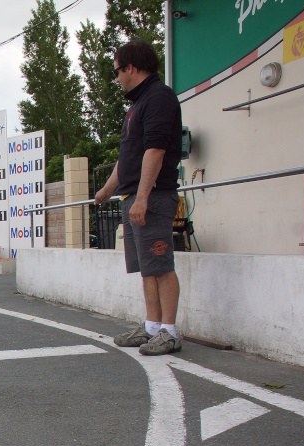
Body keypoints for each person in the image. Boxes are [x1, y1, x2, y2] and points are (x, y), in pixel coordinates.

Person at [94, 40, 183, 356]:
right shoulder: (137, 106)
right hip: (133, 196)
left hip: (153, 197)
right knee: (147, 268)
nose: (116, 78)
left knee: (160, 264)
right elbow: (128, 157)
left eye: (117, 71)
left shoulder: (159, 98)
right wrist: (106, 190)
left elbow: (155, 151)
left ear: (131, 68)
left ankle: (169, 332)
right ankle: (151, 327)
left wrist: (143, 197)